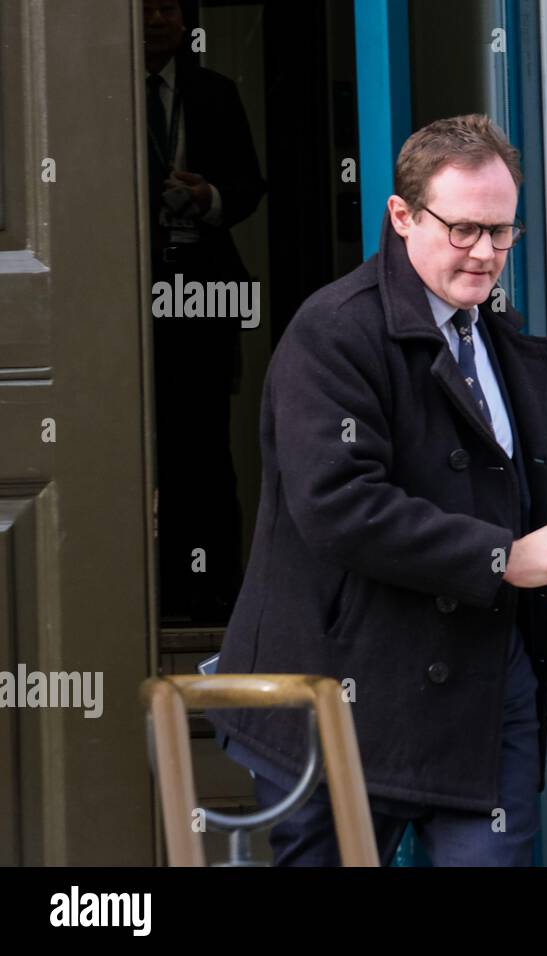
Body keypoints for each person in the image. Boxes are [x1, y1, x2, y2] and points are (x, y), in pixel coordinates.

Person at [208, 114, 547, 866]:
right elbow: (339, 507)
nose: (486, 253)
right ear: (401, 216)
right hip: (340, 688)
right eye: (462, 230)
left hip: (483, 689)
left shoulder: (497, 331)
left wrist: (524, 554)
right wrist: (502, 558)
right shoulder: (332, 330)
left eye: (502, 231)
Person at [143, 0, 266, 624]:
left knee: (205, 449)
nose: (158, 17)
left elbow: (249, 186)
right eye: (145, 5)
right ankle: (141, 592)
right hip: (124, 296)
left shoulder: (214, 92)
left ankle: (213, 597)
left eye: (170, 6)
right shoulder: (96, 89)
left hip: (202, 295)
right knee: (134, 442)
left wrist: (208, 197)